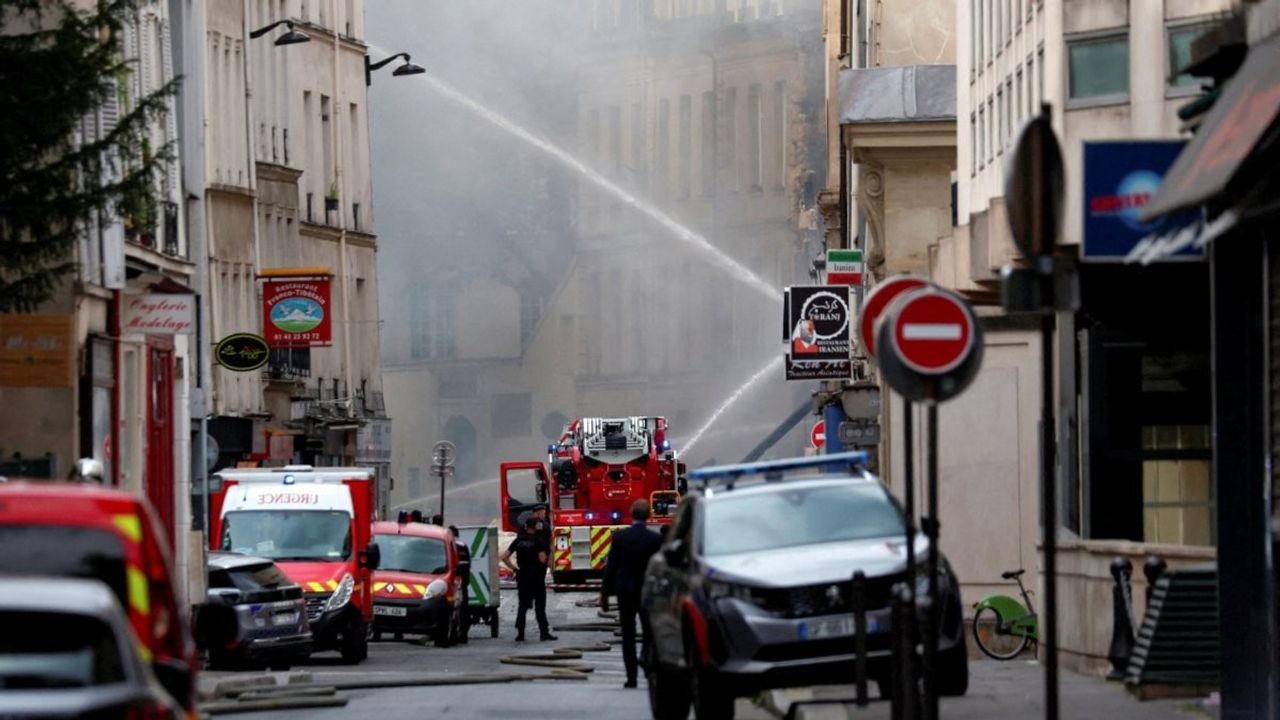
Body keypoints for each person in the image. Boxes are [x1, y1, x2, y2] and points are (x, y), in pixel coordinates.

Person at [600, 499, 664, 688]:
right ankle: (646, 657)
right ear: (649, 516)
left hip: (625, 591)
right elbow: (659, 569)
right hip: (647, 592)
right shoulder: (655, 540)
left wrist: (604, 593)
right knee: (649, 632)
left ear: (631, 513)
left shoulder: (620, 537)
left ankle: (631, 678)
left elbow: (611, 567)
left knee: (627, 634)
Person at [501, 515, 557, 642]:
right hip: (536, 577)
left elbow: (504, 557)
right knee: (539, 606)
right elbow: (543, 559)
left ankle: (520, 634)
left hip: (522, 577)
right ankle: (544, 633)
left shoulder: (518, 540)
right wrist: (550, 552)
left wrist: (515, 569)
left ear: (526, 526)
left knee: (523, 605)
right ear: (536, 527)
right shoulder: (538, 541)